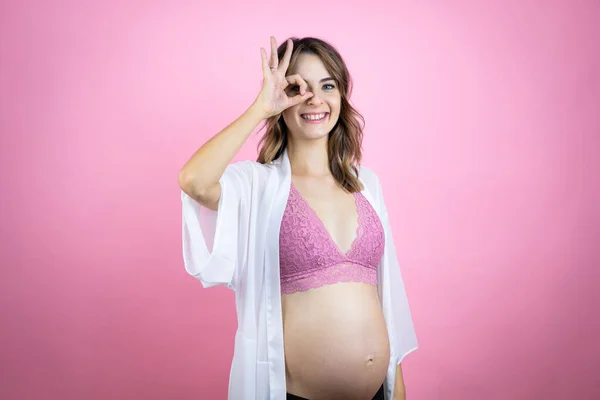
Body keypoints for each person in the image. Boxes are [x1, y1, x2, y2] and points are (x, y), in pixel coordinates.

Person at [178, 36, 418, 400]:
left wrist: (397, 390)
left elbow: (386, 297)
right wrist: (260, 107)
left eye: (327, 85)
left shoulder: (365, 184)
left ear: (341, 95)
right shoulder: (259, 185)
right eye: (298, 88)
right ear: (282, 97)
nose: (315, 100)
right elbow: (194, 181)